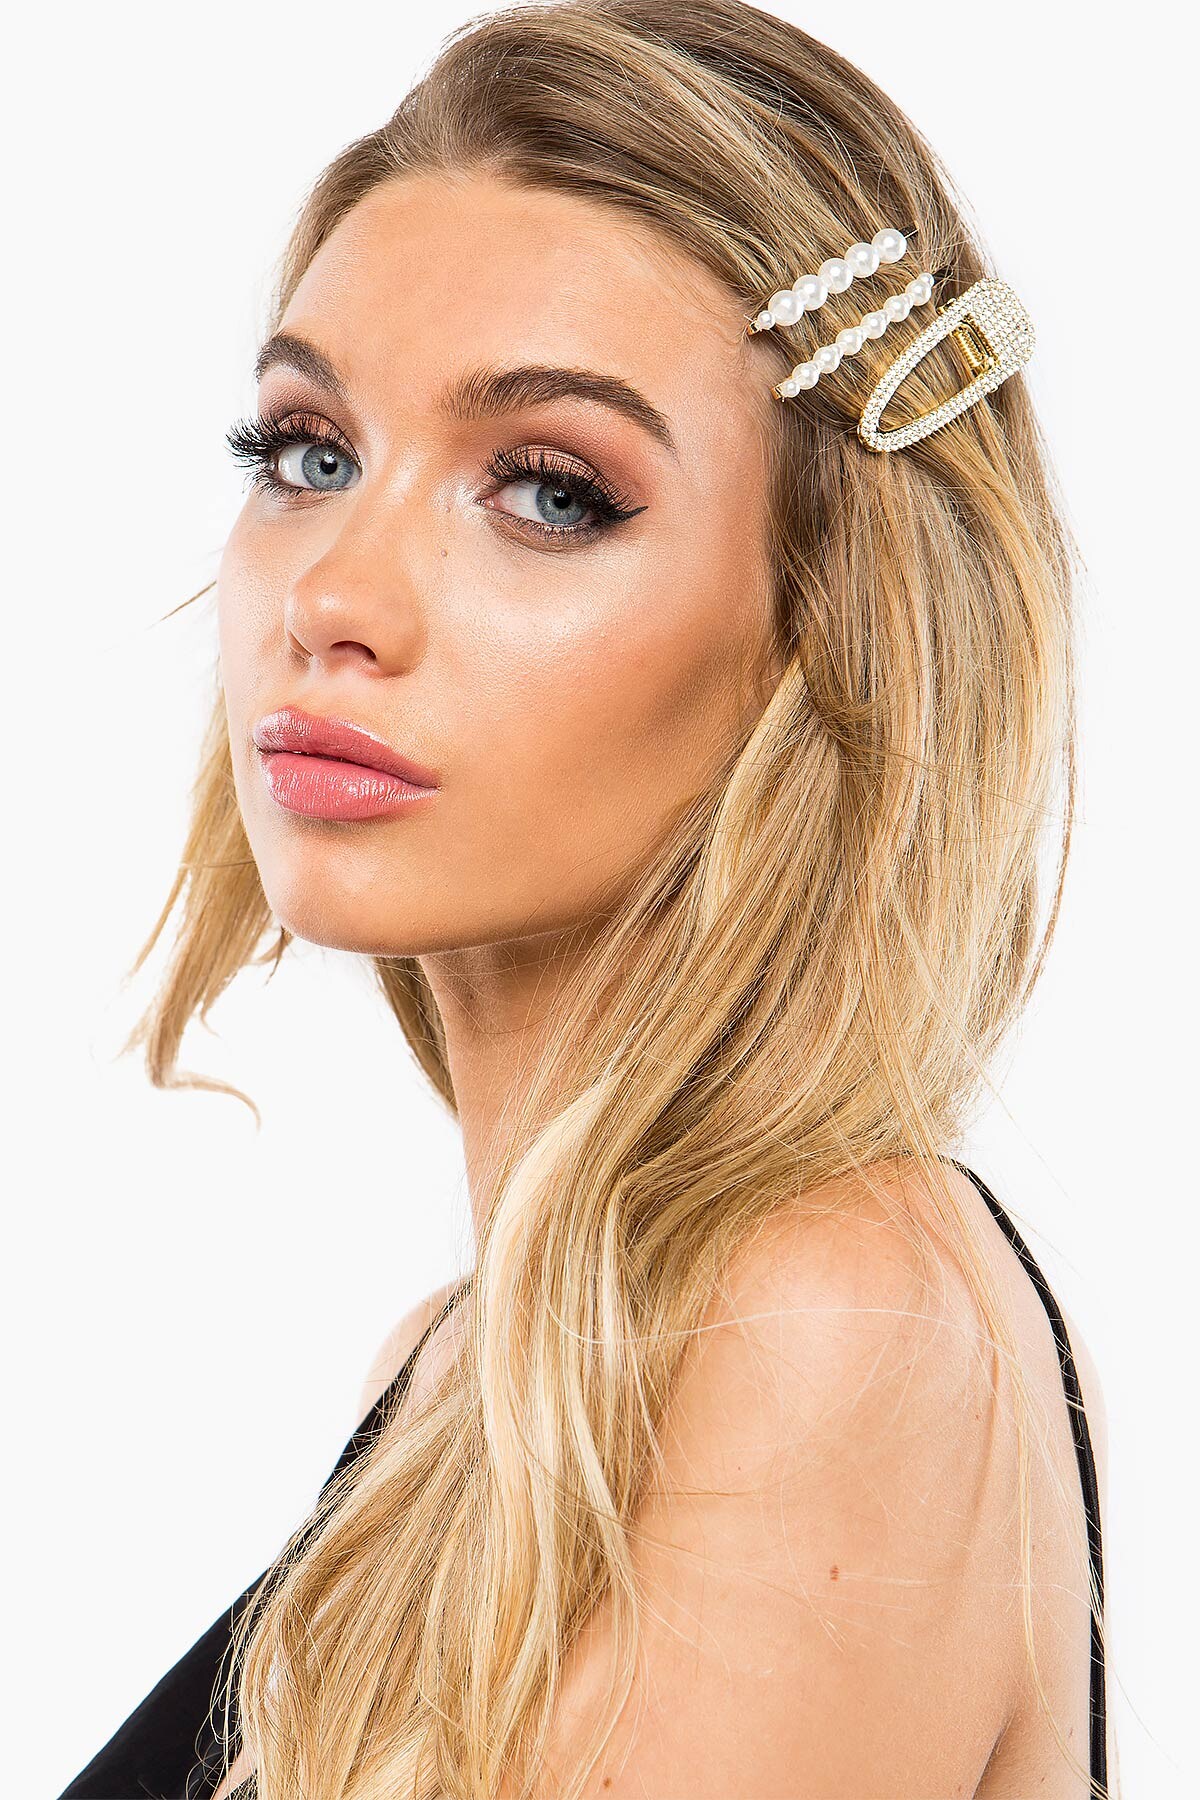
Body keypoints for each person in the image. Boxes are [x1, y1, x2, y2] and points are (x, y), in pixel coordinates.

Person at [61, 2, 1113, 1795]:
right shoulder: (455, 1374)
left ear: (826, 629)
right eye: (308, 453)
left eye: (550, 492)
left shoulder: (820, 1323)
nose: (334, 596)